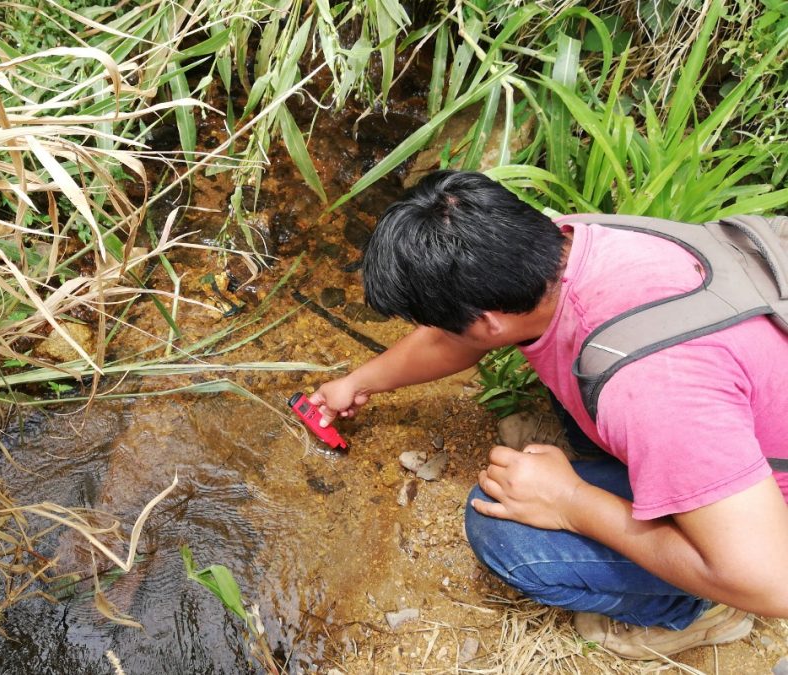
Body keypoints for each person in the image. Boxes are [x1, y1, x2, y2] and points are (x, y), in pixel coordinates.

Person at [309, 170, 788, 660]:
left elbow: (772, 582)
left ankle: (696, 612)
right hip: (734, 399)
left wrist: (570, 500)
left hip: (765, 525)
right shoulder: (560, 243)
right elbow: (459, 336)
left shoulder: (652, 388)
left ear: (487, 322)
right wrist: (358, 382)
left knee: (504, 535)